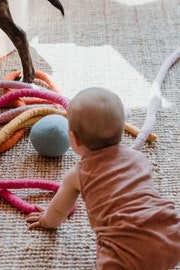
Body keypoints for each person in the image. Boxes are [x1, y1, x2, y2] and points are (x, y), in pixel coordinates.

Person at [26, 88, 180, 270]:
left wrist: (46, 221)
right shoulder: (139, 159)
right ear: (122, 128)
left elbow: (58, 211)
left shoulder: (78, 174)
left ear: (74, 139)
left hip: (126, 255)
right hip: (171, 236)